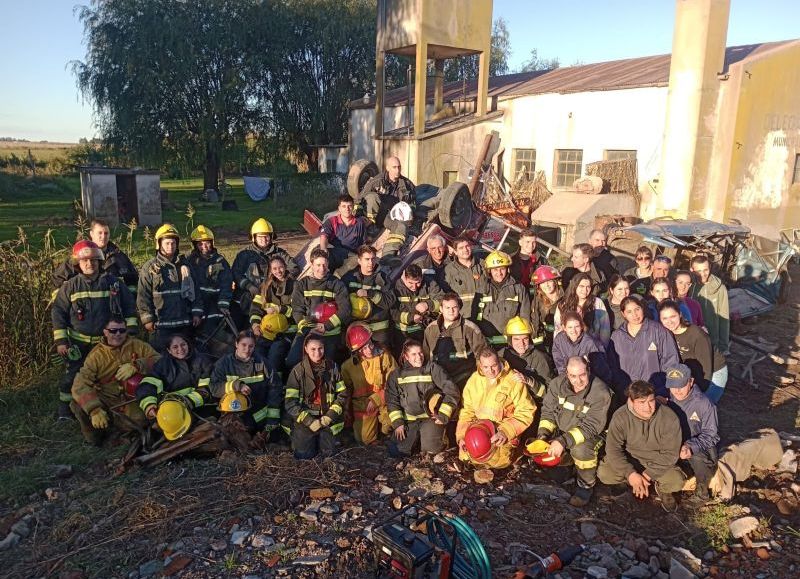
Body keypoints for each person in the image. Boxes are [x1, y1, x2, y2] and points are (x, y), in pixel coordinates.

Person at [52, 240, 138, 419]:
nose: (89, 264)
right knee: (72, 378)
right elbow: (58, 312)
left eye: (93, 260)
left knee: (109, 377)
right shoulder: (70, 286)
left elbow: (129, 305)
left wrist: (130, 332)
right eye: (84, 261)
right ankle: (65, 413)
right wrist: (61, 341)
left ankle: (110, 409)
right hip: (78, 344)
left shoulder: (113, 283)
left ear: (100, 261)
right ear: (77, 264)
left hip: (107, 344)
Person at [536, 356, 612, 507]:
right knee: (554, 474)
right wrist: (543, 435)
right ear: (566, 374)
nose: (578, 381)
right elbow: (548, 412)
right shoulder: (557, 384)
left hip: (594, 434)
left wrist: (562, 441)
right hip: (565, 430)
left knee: (581, 450)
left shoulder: (600, 392)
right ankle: (568, 465)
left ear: (589, 371)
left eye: (582, 375)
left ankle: (585, 486)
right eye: (573, 376)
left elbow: (591, 426)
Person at [597, 380, 685, 511]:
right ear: (631, 402)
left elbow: (670, 453)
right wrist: (631, 474)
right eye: (641, 402)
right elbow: (613, 449)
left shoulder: (669, 417)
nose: (648, 407)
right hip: (630, 458)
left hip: (656, 461)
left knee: (676, 481)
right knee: (605, 473)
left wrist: (647, 475)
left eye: (651, 401)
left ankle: (662, 489)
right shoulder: (621, 416)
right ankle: (628, 481)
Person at [70, 317, 159, 444]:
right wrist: (94, 410)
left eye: (122, 331)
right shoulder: (96, 356)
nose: (118, 334)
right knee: (77, 404)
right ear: (105, 332)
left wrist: (138, 365)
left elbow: (159, 360)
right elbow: (80, 384)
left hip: (134, 399)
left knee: (141, 422)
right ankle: (97, 438)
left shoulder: (139, 346)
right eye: (113, 331)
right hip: (109, 402)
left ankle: (128, 430)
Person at [456, 347, 535, 469]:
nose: (491, 371)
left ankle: (516, 455)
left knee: (499, 462)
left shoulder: (513, 380)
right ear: (480, 366)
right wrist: (462, 436)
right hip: (478, 432)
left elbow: (527, 411)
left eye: (494, 365)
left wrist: (505, 432)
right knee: (465, 456)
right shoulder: (474, 380)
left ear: (499, 361)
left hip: (500, 433)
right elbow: (467, 412)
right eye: (486, 367)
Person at [385, 339, 461, 457]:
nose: (419, 357)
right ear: (406, 356)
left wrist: (443, 415)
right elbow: (391, 400)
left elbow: (452, 390)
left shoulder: (432, 368)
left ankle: (440, 439)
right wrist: (398, 423)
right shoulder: (396, 375)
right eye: (414, 354)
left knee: (431, 452)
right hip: (408, 421)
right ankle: (415, 440)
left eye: (420, 353)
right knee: (397, 451)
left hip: (430, 419)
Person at [137, 224, 203, 350]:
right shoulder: (150, 268)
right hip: (161, 326)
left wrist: (197, 312)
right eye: (167, 243)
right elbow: (143, 296)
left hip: (184, 324)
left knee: (185, 356)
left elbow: (196, 292)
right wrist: (147, 319)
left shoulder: (186, 266)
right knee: (161, 361)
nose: (170, 246)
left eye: (173, 243)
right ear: (159, 244)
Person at [283, 334, 349, 459]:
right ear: (306, 349)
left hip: (327, 418)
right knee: (304, 455)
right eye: (313, 349)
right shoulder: (297, 371)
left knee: (329, 454)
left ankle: (324, 439)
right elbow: (290, 403)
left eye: (320, 348)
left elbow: (342, 395)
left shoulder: (333, 367)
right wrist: (309, 421)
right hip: (305, 419)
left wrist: (329, 417)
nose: (317, 352)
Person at [210, 330, 283, 434]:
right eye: (243, 345)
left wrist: (272, 420)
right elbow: (214, 387)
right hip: (233, 414)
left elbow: (275, 388)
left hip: (259, 412)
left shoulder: (262, 363)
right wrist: (237, 385)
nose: (247, 349)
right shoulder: (224, 363)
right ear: (236, 344)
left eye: (251, 346)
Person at [287, 248, 351, 367]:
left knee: (328, 365)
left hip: (330, 332)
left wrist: (326, 326)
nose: (322, 269)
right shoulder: (301, 284)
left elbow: (345, 310)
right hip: (307, 331)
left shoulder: (337, 284)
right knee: (292, 361)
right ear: (311, 265)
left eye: (324, 265)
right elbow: (297, 309)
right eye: (318, 265)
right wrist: (307, 329)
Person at [665, 364, 719, 503]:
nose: (677, 391)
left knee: (698, 458)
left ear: (691, 381)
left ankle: (702, 493)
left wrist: (691, 446)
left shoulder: (704, 404)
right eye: (673, 386)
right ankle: (667, 486)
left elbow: (711, 435)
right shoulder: (668, 399)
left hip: (699, 449)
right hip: (674, 446)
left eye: (681, 386)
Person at [607, 296, 681, 398]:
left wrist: (662, 389)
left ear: (642, 308)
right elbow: (613, 367)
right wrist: (622, 389)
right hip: (628, 395)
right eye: (629, 311)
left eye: (637, 309)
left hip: (654, 393)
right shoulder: (616, 336)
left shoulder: (658, 330)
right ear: (623, 314)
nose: (635, 315)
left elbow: (671, 361)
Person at [231, 218, 298, 328]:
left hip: (271, 293)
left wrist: (282, 281)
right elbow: (235, 273)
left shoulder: (280, 253)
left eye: (266, 236)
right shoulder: (245, 254)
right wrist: (249, 286)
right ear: (254, 237)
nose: (264, 239)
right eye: (260, 236)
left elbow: (294, 268)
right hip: (249, 293)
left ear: (271, 237)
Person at [658, 301, 728, 404]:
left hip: (713, 371)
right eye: (665, 318)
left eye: (673, 316)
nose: (669, 321)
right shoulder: (667, 333)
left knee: (704, 404)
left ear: (680, 315)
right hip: (691, 370)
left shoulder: (696, 335)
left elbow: (706, 369)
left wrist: (697, 394)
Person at [341, 322, 398, 445]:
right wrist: (346, 410)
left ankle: (384, 429)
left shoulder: (385, 356)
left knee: (390, 426)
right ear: (355, 351)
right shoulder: (348, 366)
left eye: (370, 345)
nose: (369, 350)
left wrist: (377, 398)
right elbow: (346, 391)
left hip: (385, 400)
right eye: (363, 348)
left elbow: (394, 383)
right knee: (365, 440)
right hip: (363, 405)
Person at [136, 334, 215, 420]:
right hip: (170, 413)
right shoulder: (163, 365)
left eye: (183, 345)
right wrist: (149, 404)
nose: (180, 349)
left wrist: (186, 402)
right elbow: (147, 384)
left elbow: (207, 389)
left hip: (201, 410)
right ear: (169, 350)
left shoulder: (202, 361)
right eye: (175, 347)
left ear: (188, 345)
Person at [52, 218, 139, 296]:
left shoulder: (120, 257)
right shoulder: (80, 255)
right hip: (85, 307)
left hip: (114, 307)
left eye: (106, 233)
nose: (103, 237)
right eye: (100, 233)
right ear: (91, 234)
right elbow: (58, 279)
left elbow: (133, 282)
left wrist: (129, 301)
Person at [186, 225, 234, 358]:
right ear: (195, 245)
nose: (204, 246)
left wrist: (223, 303)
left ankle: (224, 354)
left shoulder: (220, 261)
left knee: (216, 332)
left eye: (206, 243)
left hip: (216, 305)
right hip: (197, 305)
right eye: (200, 244)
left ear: (212, 243)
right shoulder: (190, 262)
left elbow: (226, 283)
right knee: (199, 334)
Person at [423, 293, 487, 388]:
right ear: (441, 309)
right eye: (447, 308)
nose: (451, 311)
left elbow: (482, 355)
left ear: (459, 308)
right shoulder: (430, 329)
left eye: (454, 307)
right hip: (439, 380)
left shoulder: (470, 328)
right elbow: (426, 356)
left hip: (464, 379)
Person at [250, 255, 297, 380]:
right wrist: (255, 325)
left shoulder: (295, 285)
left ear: (285, 267)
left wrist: (279, 309)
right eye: (274, 268)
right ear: (270, 270)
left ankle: (276, 383)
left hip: (287, 333)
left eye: (280, 267)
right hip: (267, 332)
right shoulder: (265, 286)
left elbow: (299, 310)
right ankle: (260, 381)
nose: (278, 271)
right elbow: (255, 308)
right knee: (258, 351)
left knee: (275, 353)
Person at [359, 157, 416, 256]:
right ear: (387, 168)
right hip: (376, 213)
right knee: (372, 197)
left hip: (390, 216)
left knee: (401, 227)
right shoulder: (376, 181)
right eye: (394, 167)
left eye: (399, 167)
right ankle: (370, 230)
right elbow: (359, 199)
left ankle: (388, 255)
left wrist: (409, 212)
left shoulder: (407, 184)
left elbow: (413, 203)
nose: (397, 170)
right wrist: (359, 216)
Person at [340, 245, 394, 345]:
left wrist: (369, 294)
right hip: (357, 329)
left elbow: (389, 301)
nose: (371, 263)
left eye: (373, 259)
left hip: (379, 329)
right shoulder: (349, 278)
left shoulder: (382, 278)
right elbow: (341, 301)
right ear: (359, 260)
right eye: (367, 259)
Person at [476, 251, 531, 347]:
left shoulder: (518, 288)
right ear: (489, 271)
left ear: (508, 269)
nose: (499, 273)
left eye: (502, 269)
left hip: (511, 341)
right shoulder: (481, 288)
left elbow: (525, 316)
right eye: (495, 270)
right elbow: (475, 315)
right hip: (488, 341)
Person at [390, 263, 443, 356]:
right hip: (403, 336)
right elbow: (393, 312)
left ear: (422, 277)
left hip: (425, 334)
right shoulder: (396, 288)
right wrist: (411, 317)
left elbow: (443, 301)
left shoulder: (430, 284)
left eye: (418, 282)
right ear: (404, 278)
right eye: (410, 283)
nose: (414, 287)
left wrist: (428, 304)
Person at [500, 316, 554, 402]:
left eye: (525, 339)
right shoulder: (501, 355)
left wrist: (529, 381)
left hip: (532, 404)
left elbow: (550, 394)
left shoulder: (540, 358)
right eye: (516, 339)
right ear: (510, 340)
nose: (521, 343)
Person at [551, 312, 613, 385]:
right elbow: (559, 363)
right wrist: (567, 380)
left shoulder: (590, 343)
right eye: (570, 327)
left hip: (588, 381)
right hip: (568, 380)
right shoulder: (559, 340)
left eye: (577, 326)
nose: (573, 331)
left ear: (582, 326)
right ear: (564, 328)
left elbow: (601, 370)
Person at [554, 273, 611, 347]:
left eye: (588, 287)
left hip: (593, 346)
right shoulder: (563, 305)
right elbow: (557, 328)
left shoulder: (597, 302)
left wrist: (602, 349)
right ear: (575, 286)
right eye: (581, 286)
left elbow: (605, 328)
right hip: (569, 348)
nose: (585, 290)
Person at [690, 255, 730, 355]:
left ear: (710, 268)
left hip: (712, 341)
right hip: (691, 340)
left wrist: (724, 346)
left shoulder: (720, 289)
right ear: (691, 270)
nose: (703, 274)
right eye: (698, 271)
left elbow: (724, 318)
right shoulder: (689, 286)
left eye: (705, 270)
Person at [319, 195, 369, 274]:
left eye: (349, 206)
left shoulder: (359, 223)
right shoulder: (331, 221)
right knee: (318, 254)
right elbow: (324, 236)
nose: (347, 209)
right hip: (335, 253)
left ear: (353, 207)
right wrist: (323, 249)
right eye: (344, 206)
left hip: (351, 256)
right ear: (339, 208)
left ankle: (337, 276)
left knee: (358, 260)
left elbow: (363, 244)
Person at [444, 235, 486, 320]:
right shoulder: (449, 270)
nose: (465, 250)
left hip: (484, 314)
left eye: (467, 246)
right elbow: (446, 295)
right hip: (463, 316)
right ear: (455, 251)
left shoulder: (483, 265)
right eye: (461, 248)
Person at [530, 265, 563, 349]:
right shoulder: (537, 301)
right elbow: (535, 320)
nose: (546, 285)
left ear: (555, 282)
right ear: (538, 286)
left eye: (549, 281)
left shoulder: (566, 297)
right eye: (543, 283)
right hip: (547, 339)